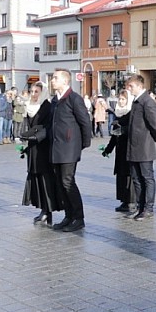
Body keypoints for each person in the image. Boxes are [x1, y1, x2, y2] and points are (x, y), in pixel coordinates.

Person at [49, 69, 92, 232]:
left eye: (55, 78)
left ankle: (78, 218)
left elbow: (85, 123)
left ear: (65, 82)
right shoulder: (55, 100)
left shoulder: (74, 99)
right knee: (60, 183)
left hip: (69, 148)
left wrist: (82, 144)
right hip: (56, 147)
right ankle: (69, 216)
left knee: (68, 182)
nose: (52, 81)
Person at [20, 82, 59, 226]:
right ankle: (43, 210)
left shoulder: (47, 106)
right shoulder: (29, 107)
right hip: (33, 148)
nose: (33, 94)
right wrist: (25, 136)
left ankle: (48, 211)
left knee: (45, 179)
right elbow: (30, 126)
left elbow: (47, 127)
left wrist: (36, 136)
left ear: (42, 93)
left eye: (36, 91)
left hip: (43, 148)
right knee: (36, 179)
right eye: (32, 91)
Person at [125, 74, 156, 220]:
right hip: (133, 147)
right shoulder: (136, 101)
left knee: (147, 178)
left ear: (139, 86)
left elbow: (155, 124)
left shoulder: (147, 101)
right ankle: (140, 207)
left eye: (131, 86)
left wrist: (153, 138)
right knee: (136, 179)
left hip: (144, 147)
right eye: (128, 86)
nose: (129, 89)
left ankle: (148, 208)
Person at [102, 90, 136, 213]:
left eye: (123, 99)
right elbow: (114, 136)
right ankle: (124, 200)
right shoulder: (118, 113)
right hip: (120, 149)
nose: (121, 101)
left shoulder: (131, 113)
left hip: (129, 148)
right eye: (120, 99)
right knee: (121, 175)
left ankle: (132, 201)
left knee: (129, 175)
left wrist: (123, 130)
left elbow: (134, 130)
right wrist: (108, 150)